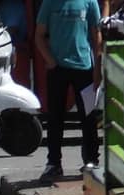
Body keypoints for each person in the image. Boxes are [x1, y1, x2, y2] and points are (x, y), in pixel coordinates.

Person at [34, 0, 99, 183]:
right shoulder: (49, 3)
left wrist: (97, 68)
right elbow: (39, 35)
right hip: (58, 69)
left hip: (85, 68)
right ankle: (54, 163)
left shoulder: (89, 2)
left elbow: (96, 36)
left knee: (88, 117)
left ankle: (91, 160)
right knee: (55, 118)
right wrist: (51, 61)